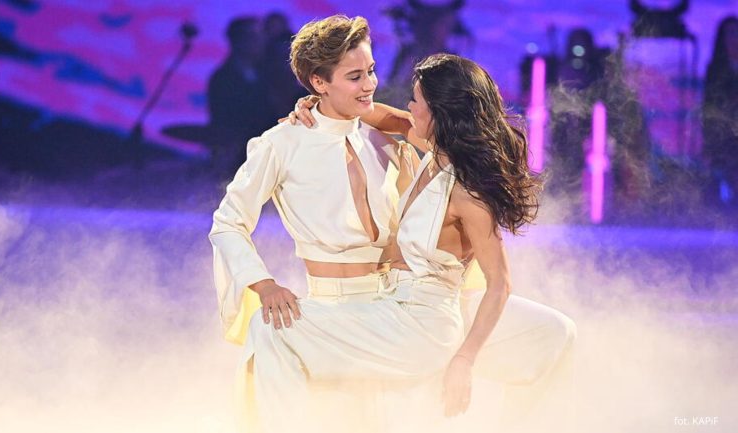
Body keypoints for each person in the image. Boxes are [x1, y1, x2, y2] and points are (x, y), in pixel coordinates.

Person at [241, 53, 576, 433]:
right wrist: (319, 105)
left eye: (416, 100)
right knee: (556, 332)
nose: (408, 107)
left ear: (439, 113)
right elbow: (381, 115)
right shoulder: (432, 149)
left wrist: (464, 360)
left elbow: (500, 283)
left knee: (272, 330)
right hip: (399, 307)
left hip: (420, 327)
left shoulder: (467, 193)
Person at [209, 14, 420, 432]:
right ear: (319, 82)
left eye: (371, 71)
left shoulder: (384, 141)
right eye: (355, 76)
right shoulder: (282, 143)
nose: (370, 84)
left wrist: (349, 110)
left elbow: (425, 132)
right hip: (328, 310)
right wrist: (263, 284)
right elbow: (228, 223)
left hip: (393, 307)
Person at [207, 16, 275, 177]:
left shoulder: (266, 74)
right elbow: (225, 120)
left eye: (262, 36)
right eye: (254, 37)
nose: (261, 42)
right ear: (238, 41)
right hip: (236, 156)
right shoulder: (223, 78)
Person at [702, 16, 738, 206]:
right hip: (723, 136)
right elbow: (710, 106)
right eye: (730, 33)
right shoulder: (716, 70)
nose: (735, 38)